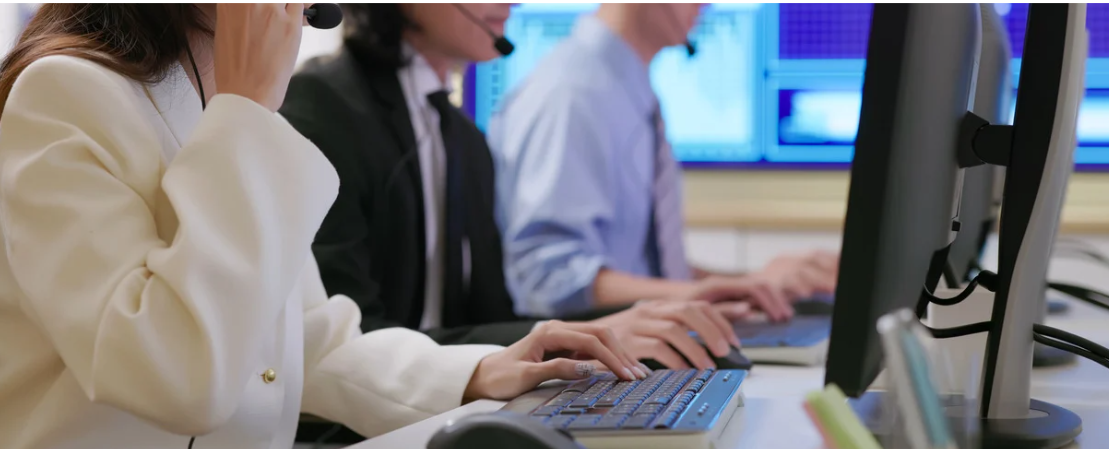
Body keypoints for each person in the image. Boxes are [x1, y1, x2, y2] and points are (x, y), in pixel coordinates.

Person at [0, 5, 644, 449]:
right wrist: (250, 109)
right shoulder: (67, 96)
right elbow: (175, 377)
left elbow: (312, 341)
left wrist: (479, 371)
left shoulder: (217, 108)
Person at [280, 3, 757, 371]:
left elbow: (489, 319)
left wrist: (601, 333)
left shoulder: (462, 137)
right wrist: (579, 335)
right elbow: (345, 342)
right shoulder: (321, 106)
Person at [490, 4, 840, 323]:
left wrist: (756, 284)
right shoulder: (571, 94)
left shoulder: (623, 88)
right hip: (589, 362)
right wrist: (696, 295)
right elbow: (548, 279)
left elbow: (643, 271)